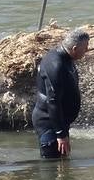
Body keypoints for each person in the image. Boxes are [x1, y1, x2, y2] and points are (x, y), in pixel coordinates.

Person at [31, 28, 90, 159]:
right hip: (49, 123)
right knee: (52, 168)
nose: (87, 50)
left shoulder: (67, 59)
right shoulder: (56, 64)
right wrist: (60, 134)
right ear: (74, 48)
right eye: (85, 47)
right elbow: (53, 101)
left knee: (62, 165)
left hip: (60, 123)